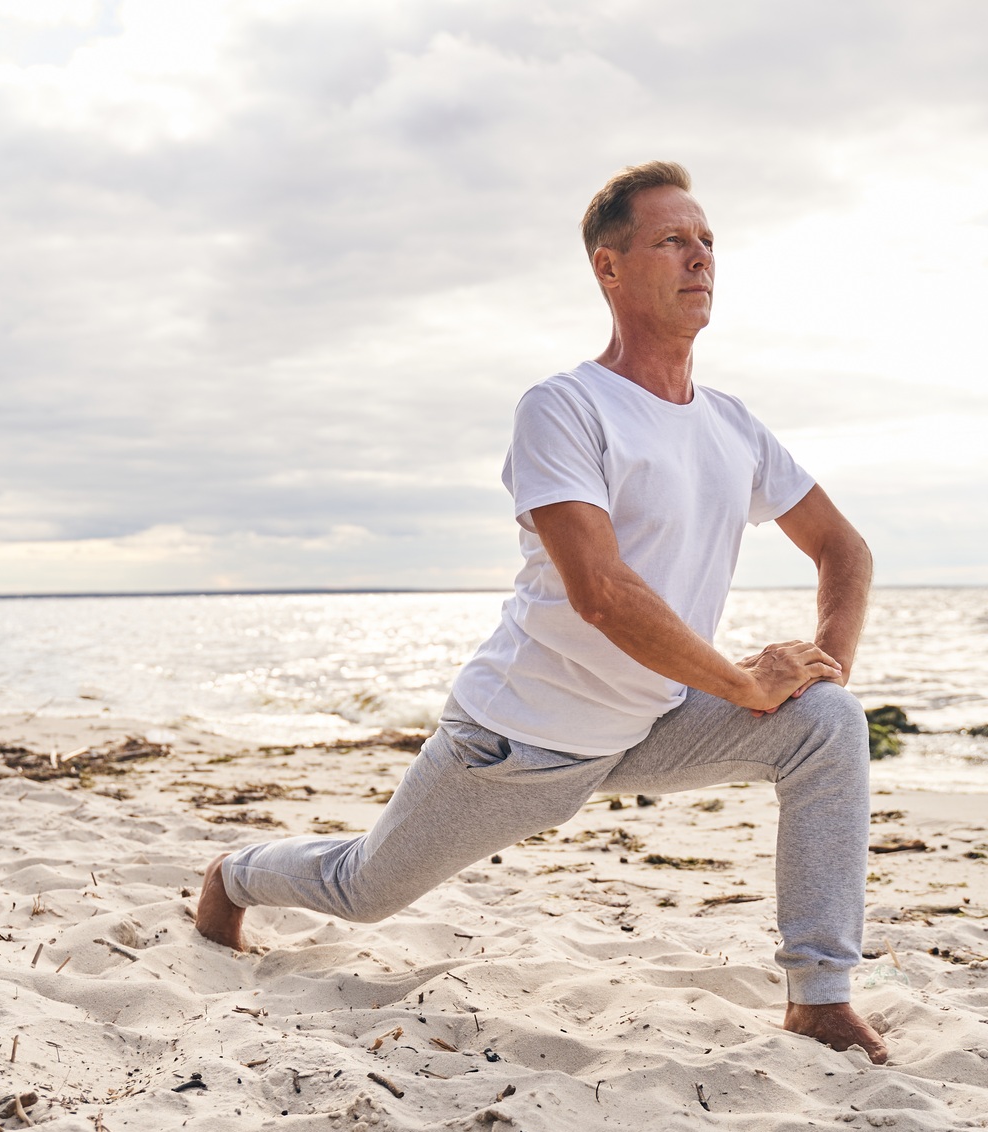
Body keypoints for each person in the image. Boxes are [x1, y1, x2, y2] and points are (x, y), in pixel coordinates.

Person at [197, 161, 886, 1064]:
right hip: (518, 739)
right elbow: (600, 591)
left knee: (827, 724)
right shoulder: (565, 408)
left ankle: (819, 998)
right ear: (610, 268)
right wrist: (746, 681)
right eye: (673, 240)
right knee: (365, 886)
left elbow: (845, 549)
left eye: (709, 241)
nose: (701, 258)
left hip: (655, 718)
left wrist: (817, 667)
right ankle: (234, 874)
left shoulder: (734, 425)